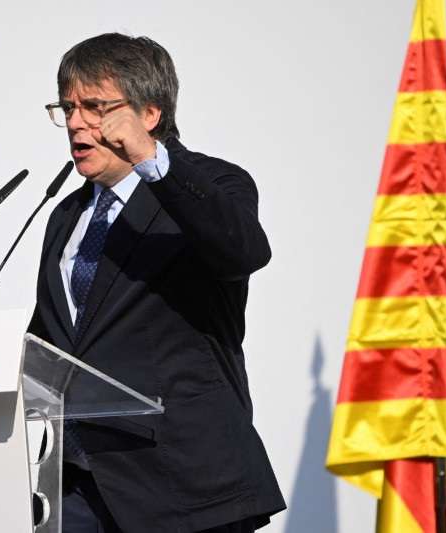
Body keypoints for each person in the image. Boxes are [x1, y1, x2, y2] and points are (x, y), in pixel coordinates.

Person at [28, 33, 285, 532]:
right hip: (79, 487)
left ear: (149, 114)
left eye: (95, 107)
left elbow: (243, 252)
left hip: (184, 487)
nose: (76, 122)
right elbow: (54, 341)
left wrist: (153, 161)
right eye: (67, 108)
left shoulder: (211, 185)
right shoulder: (66, 214)